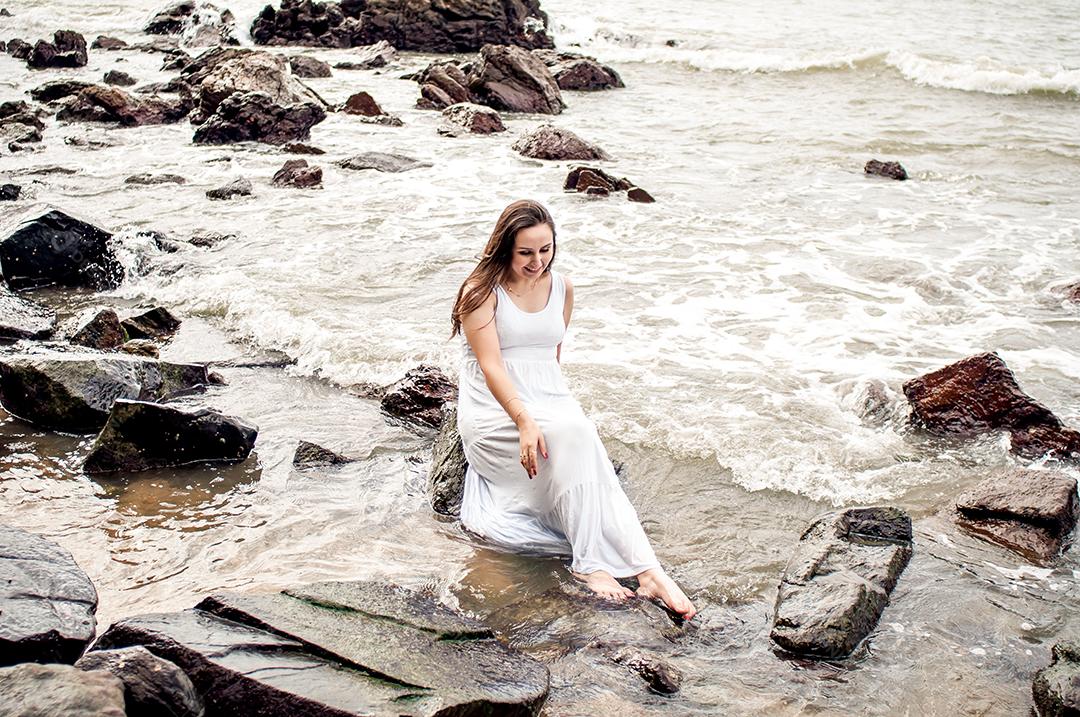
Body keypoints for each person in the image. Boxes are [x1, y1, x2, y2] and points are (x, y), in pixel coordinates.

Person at [450, 199, 696, 619]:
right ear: (505, 247)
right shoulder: (480, 294)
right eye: (526, 252)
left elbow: (551, 357)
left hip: (548, 398)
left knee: (582, 437)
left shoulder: (562, 287)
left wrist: (554, 411)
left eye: (545, 249)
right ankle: (591, 566)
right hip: (493, 410)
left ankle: (648, 569)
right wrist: (526, 421)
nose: (537, 261)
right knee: (573, 436)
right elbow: (491, 366)